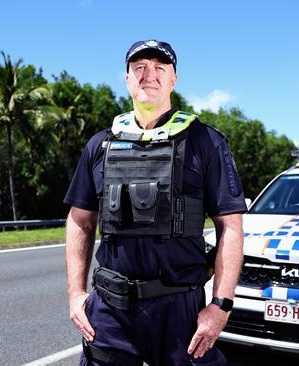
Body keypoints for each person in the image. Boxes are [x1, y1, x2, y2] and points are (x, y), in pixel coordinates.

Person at [64, 39, 246, 366]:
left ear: (173, 79)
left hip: (181, 311)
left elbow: (230, 227)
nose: (150, 75)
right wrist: (76, 294)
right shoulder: (99, 145)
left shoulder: (207, 141)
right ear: (128, 79)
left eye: (160, 68)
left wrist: (221, 305)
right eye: (140, 68)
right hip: (111, 309)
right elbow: (80, 220)